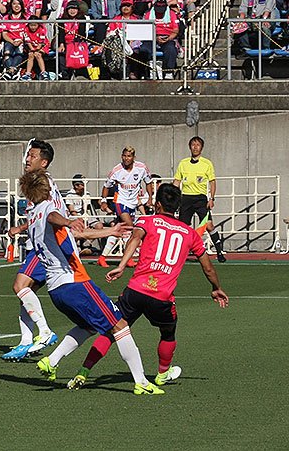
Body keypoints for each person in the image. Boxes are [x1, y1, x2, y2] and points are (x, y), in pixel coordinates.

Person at [66, 183, 229, 391]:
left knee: (112, 330)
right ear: (177, 206)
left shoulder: (147, 221)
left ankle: (83, 372)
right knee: (168, 333)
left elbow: (134, 239)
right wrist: (216, 287)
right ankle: (162, 373)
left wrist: (122, 266)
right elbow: (208, 267)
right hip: (162, 297)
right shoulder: (190, 233)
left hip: (135, 291)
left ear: (158, 204)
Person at [20, 168, 165, 395]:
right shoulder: (48, 208)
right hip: (74, 282)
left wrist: (110, 231)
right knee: (120, 325)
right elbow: (54, 217)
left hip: (56, 289)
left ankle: (51, 361)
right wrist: (68, 221)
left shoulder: (32, 217)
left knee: (88, 326)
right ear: (46, 189)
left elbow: (76, 235)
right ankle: (141, 382)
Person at [0, 139, 61, 361]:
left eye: (33, 156)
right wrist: (22, 228)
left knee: (19, 286)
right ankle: (25, 341)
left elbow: (50, 214)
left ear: (44, 162)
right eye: (28, 155)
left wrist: (22, 228)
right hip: (39, 244)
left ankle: (44, 331)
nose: (27, 159)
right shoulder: (38, 183)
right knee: (25, 294)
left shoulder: (44, 184)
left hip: (45, 246)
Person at [99, 146, 153, 267]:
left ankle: (102, 257)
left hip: (133, 203)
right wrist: (103, 200)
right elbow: (106, 186)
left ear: (134, 157)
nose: (126, 158)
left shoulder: (141, 168)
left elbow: (148, 182)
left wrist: (150, 198)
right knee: (129, 227)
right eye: (124, 156)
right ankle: (128, 258)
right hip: (120, 202)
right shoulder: (116, 170)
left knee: (120, 229)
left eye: (129, 156)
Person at [173, 136, 224, 263]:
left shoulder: (207, 163)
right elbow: (177, 181)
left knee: (209, 225)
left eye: (198, 145)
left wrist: (211, 198)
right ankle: (180, 254)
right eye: (193, 145)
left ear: (201, 148)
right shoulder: (183, 163)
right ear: (189, 147)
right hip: (186, 198)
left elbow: (212, 182)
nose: (195, 147)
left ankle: (219, 252)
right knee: (183, 228)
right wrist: (172, 196)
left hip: (201, 199)